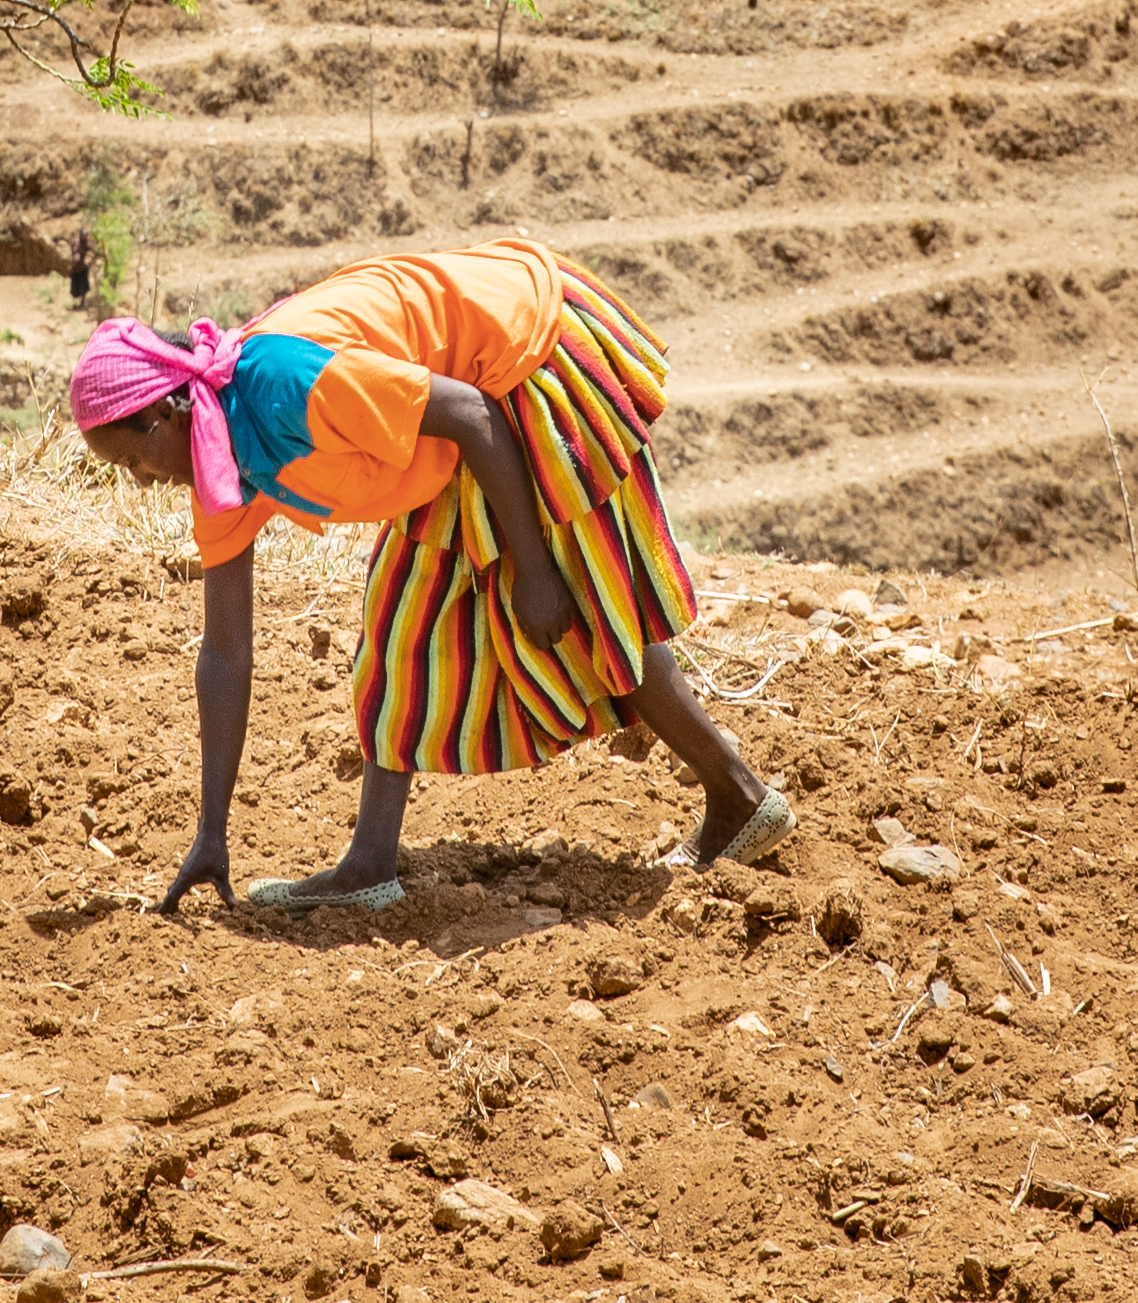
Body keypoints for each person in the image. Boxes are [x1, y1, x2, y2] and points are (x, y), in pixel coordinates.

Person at [70, 234, 792, 913]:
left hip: (526, 351)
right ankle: (370, 863)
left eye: (133, 461)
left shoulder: (282, 384)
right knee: (403, 615)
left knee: (583, 600)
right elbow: (225, 651)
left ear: (165, 413)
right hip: (457, 423)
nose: (139, 482)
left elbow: (473, 416)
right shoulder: (218, 465)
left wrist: (533, 570)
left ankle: (738, 795)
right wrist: (212, 833)